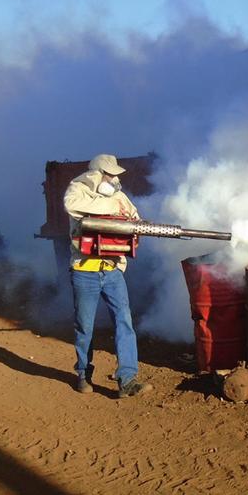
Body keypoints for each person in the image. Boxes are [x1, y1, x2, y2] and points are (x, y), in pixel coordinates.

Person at [63, 154, 152, 398]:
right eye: (110, 174)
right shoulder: (77, 190)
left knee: (124, 322)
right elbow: (71, 205)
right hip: (84, 272)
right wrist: (112, 205)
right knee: (85, 326)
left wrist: (136, 224)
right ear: (96, 174)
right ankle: (83, 373)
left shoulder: (118, 197)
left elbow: (135, 218)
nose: (114, 179)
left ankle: (127, 379)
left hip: (111, 270)